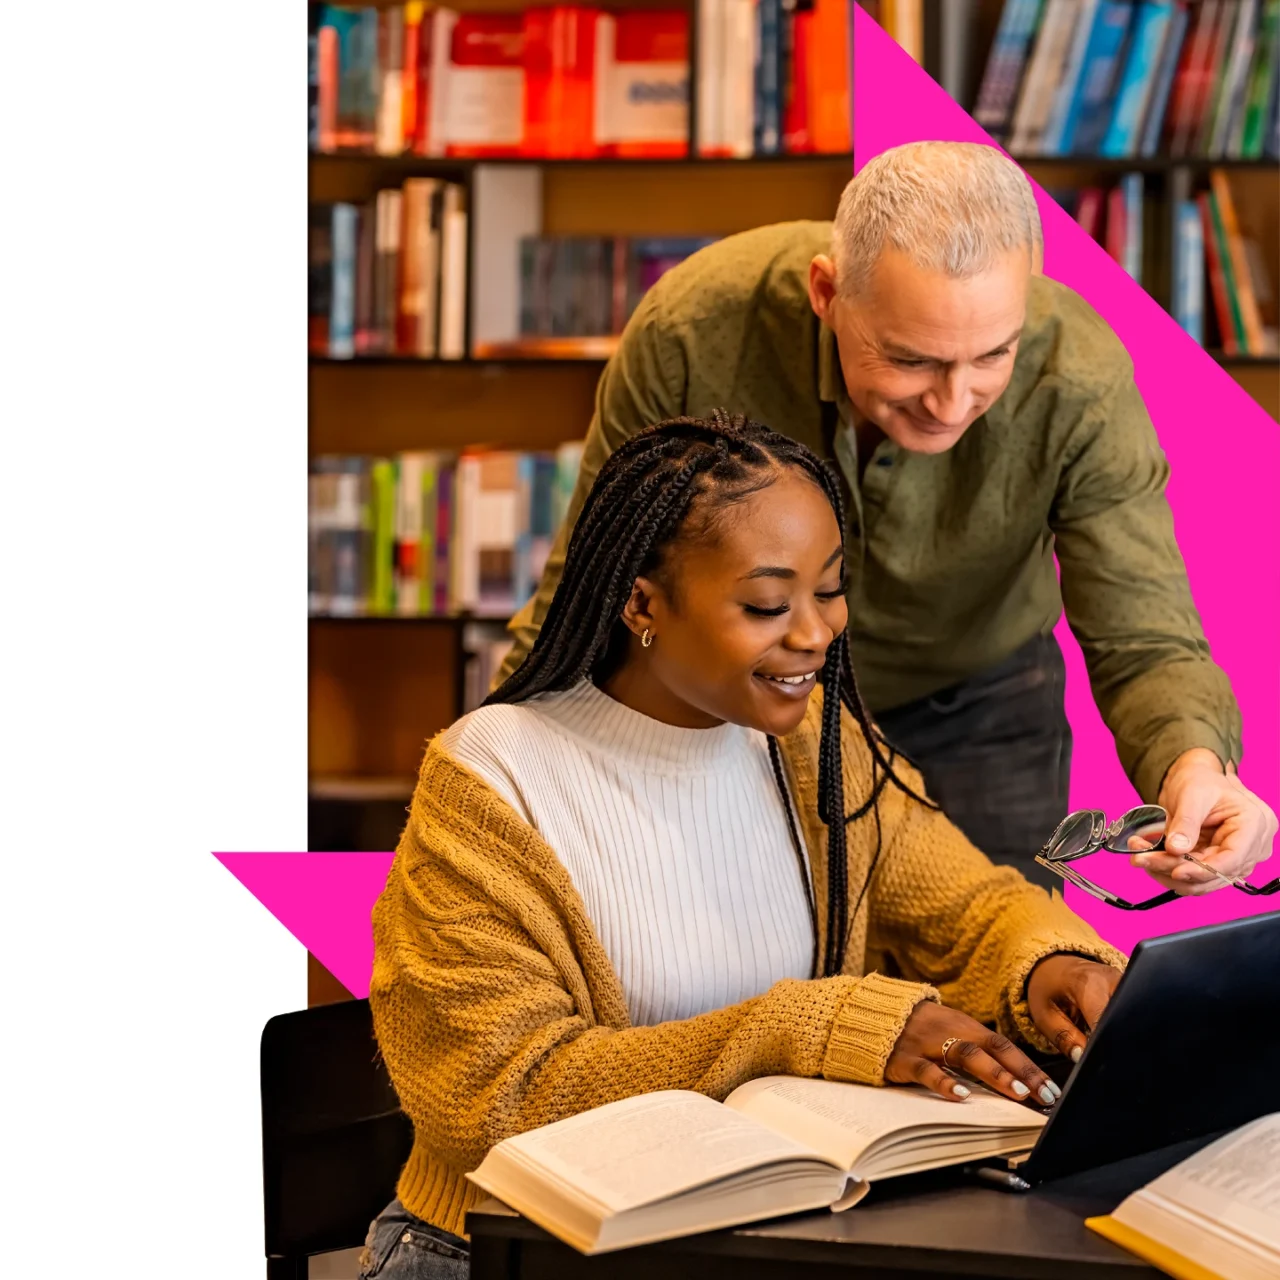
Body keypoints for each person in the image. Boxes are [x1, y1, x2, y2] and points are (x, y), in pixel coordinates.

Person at [360, 414, 1127, 1280]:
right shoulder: (493, 776)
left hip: (748, 1235)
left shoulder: (813, 748)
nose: (814, 632)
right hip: (509, 1249)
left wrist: (1049, 966)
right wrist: (809, 1026)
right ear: (643, 603)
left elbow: (973, 907)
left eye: (830, 589)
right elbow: (496, 1095)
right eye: (766, 604)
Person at [494, 142, 1276, 894]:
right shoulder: (693, 333)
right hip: (736, 704)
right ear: (827, 292)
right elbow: (588, 586)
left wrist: (1196, 769)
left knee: (1006, 985)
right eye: (910, 359)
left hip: (980, 702)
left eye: (993, 356)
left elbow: (1143, 635)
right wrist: (489, 773)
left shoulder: (1079, 377)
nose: (951, 402)